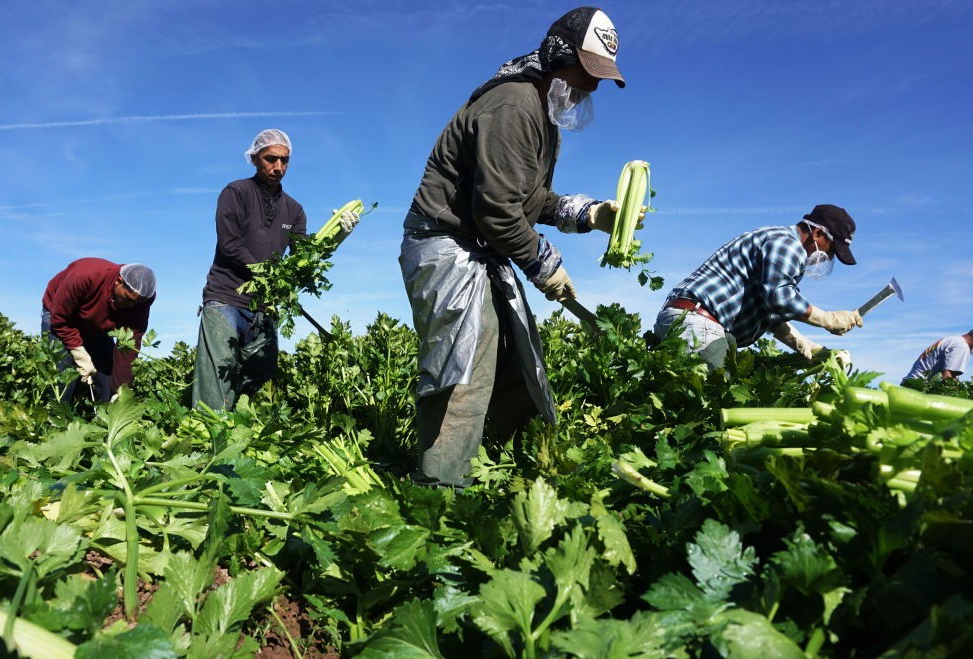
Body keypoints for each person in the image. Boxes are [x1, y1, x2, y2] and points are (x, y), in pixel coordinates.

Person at [399, 6, 629, 489]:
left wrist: (588, 215)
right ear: (558, 55)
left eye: (601, 79)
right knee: (465, 363)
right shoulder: (513, 104)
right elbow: (499, 212)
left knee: (516, 353)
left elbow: (531, 199)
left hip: (481, 245)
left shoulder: (543, 117)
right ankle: (440, 490)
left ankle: (506, 468)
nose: (591, 87)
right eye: (587, 73)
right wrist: (546, 266)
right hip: (447, 243)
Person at [191, 129, 359, 411]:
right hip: (225, 299)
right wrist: (269, 274)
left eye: (284, 160)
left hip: (264, 306)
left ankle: (239, 435)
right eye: (271, 159)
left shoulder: (294, 210)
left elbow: (304, 259)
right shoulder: (236, 193)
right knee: (215, 384)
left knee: (259, 381)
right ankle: (208, 445)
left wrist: (338, 235)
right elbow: (230, 244)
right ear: (255, 159)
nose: (278, 167)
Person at [654, 204, 862, 371]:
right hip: (699, 323)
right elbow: (780, 297)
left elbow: (770, 310)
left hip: (686, 319)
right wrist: (828, 319)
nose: (829, 256)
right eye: (832, 249)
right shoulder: (788, 245)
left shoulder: (775, 240)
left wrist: (801, 341)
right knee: (716, 399)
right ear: (817, 233)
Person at [41, 258, 156, 402]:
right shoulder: (84, 277)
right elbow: (61, 319)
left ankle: (104, 417)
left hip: (97, 324)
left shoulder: (141, 301)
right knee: (63, 375)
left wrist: (120, 391)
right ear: (118, 282)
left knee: (107, 376)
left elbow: (128, 346)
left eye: (138, 303)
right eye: (128, 299)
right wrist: (79, 353)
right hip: (60, 316)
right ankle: (56, 419)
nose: (132, 306)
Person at [903, 330, 973, 381]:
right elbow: (948, 379)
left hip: (910, 385)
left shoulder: (953, 340)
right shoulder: (961, 347)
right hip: (918, 390)